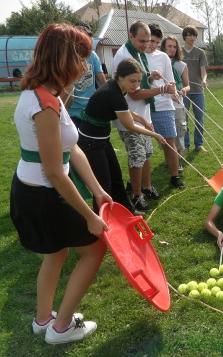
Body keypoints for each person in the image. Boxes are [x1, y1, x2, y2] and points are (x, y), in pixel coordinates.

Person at [10, 23, 111, 344]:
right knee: (94, 251)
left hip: (33, 189)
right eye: (80, 58)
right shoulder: (46, 105)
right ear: (64, 58)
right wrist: (90, 216)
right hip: (46, 194)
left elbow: (73, 147)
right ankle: (62, 327)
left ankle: (43, 320)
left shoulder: (42, 93)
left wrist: (97, 190)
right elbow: (55, 172)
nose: (83, 67)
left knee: (55, 254)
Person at [78, 58, 170, 214]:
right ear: (120, 77)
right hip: (90, 142)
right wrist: (155, 134)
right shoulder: (113, 93)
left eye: (139, 81)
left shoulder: (119, 89)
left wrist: (143, 120)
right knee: (103, 184)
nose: (136, 86)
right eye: (132, 81)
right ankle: (102, 222)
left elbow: (126, 111)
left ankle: (127, 211)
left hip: (102, 139)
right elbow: (129, 125)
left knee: (116, 179)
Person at [112, 21, 164, 211]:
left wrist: (151, 77)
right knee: (137, 156)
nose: (146, 45)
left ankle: (147, 186)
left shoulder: (140, 53)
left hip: (143, 114)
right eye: (142, 41)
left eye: (148, 41)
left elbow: (141, 80)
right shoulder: (123, 56)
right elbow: (133, 91)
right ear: (131, 36)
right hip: (128, 116)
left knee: (147, 153)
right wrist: (161, 90)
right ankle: (136, 195)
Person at [146, 24, 185, 188]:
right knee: (145, 146)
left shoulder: (162, 57)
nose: (152, 45)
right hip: (144, 106)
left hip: (164, 106)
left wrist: (173, 92)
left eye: (156, 42)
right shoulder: (135, 55)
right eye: (150, 41)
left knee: (170, 142)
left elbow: (171, 81)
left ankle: (174, 176)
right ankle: (144, 184)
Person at [65, 23, 106, 127]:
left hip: (91, 109)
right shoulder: (65, 58)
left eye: (87, 38)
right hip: (72, 112)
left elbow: (102, 80)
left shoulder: (93, 55)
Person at [161, 35, 191, 171]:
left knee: (179, 133)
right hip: (163, 103)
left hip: (178, 103)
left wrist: (184, 90)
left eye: (174, 46)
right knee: (166, 135)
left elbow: (187, 85)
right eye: (169, 46)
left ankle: (178, 161)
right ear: (163, 47)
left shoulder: (181, 65)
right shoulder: (158, 62)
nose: (172, 49)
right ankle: (169, 159)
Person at [182, 25, 208, 152]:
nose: (192, 37)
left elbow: (203, 70)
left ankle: (198, 144)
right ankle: (185, 145)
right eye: (189, 34)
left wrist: (204, 80)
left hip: (198, 91)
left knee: (199, 118)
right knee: (184, 119)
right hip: (183, 92)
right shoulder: (179, 52)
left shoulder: (200, 53)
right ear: (184, 36)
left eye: (194, 35)